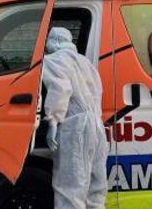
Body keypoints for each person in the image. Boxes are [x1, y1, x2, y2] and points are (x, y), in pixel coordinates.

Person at [41, 27, 107, 209]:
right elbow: (97, 93)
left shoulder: (54, 60)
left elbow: (60, 89)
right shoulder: (85, 62)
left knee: (70, 187)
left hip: (75, 125)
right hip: (96, 125)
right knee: (95, 187)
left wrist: (53, 121)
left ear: (54, 41)